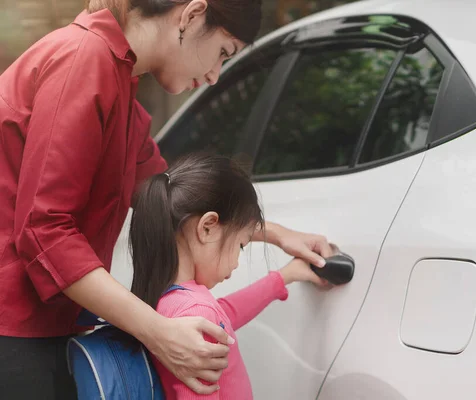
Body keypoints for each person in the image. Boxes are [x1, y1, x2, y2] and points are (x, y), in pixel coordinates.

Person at [0, 0, 333, 398]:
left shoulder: (118, 84)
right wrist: (158, 332)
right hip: (13, 330)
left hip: (42, 329)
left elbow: (174, 198)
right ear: (192, 15)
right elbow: (45, 232)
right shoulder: (83, 60)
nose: (214, 76)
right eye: (223, 53)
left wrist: (276, 235)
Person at [131, 153, 330, 399]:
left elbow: (225, 313)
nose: (236, 262)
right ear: (207, 228)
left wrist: (284, 277)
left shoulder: (173, 300)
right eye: (241, 246)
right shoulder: (196, 311)